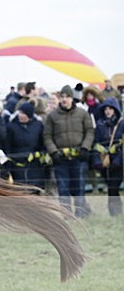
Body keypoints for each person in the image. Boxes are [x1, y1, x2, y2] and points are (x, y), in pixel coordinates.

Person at [44, 85, 95, 217]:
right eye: (62, 97)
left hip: (79, 157)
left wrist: (85, 147)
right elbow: (47, 136)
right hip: (60, 158)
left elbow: (89, 131)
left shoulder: (82, 113)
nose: (64, 99)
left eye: (67, 97)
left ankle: (81, 213)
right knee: (63, 187)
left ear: (72, 98)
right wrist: (53, 151)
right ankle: (67, 214)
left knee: (79, 186)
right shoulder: (52, 116)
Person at [91, 96, 123, 216]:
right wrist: (97, 161)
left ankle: (115, 212)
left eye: (110, 108)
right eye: (105, 109)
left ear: (115, 110)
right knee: (110, 188)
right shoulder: (100, 125)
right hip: (104, 161)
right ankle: (115, 212)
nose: (107, 111)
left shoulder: (121, 124)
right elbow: (96, 144)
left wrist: (118, 160)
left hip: (118, 162)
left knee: (113, 187)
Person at [5, 102, 47, 189]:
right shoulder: (11, 126)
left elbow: (42, 143)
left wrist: (41, 158)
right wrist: (8, 164)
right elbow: (7, 145)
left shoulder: (38, 125)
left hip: (34, 164)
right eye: (20, 112)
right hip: (17, 164)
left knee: (35, 189)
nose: (20, 115)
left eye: (23, 113)